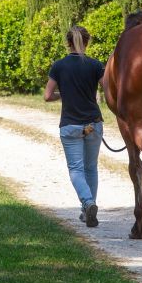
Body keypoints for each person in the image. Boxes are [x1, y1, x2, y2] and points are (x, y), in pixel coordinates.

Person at [44, 25, 105, 228]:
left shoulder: (59, 66)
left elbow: (47, 96)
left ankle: (87, 203)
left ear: (68, 43)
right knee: (91, 167)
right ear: (87, 42)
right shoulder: (96, 65)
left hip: (70, 125)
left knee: (76, 169)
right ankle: (88, 209)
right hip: (93, 124)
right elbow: (109, 91)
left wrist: (63, 94)